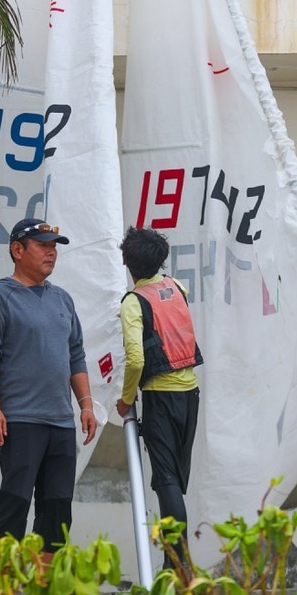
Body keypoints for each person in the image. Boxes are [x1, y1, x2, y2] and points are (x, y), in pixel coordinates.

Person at [0, 218, 96, 595]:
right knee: (14, 499)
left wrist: (87, 404)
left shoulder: (62, 299)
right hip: (20, 418)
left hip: (60, 419)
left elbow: (75, 354)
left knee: (57, 505)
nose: (51, 252)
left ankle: (44, 589)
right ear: (17, 249)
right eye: (42, 245)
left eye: (54, 245)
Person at [116, 226, 202, 570]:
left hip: (160, 398)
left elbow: (136, 359)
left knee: (166, 481)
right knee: (176, 481)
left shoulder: (133, 303)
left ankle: (178, 566)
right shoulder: (176, 287)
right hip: (190, 393)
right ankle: (174, 565)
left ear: (126, 262)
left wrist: (125, 399)